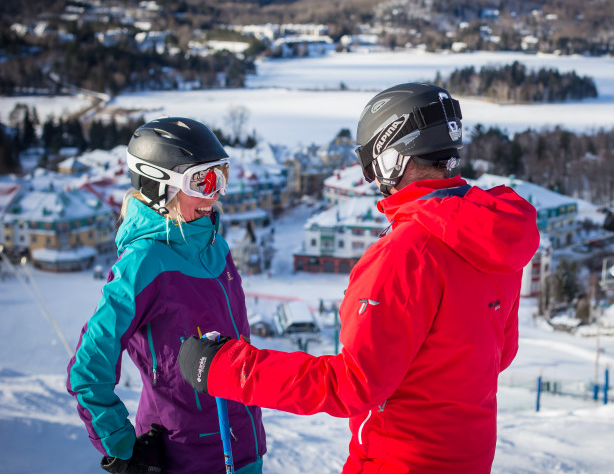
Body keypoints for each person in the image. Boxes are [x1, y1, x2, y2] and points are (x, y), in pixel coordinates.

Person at [178, 83, 540, 473]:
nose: (373, 180)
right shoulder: (491, 232)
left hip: (396, 461)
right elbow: (500, 354)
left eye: (371, 165)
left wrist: (227, 368)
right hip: (468, 458)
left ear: (392, 159)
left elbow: (351, 386)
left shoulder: (407, 254)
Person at [66, 117, 266, 474]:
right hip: (186, 456)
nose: (216, 192)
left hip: (244, 446)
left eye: (221, 177)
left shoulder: (215, 247)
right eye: (203, 181)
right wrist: (121, 447)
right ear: (162, 186)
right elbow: (88, 367)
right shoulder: (143, 263)